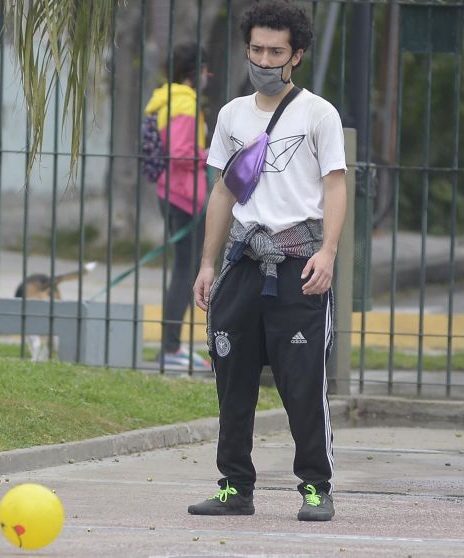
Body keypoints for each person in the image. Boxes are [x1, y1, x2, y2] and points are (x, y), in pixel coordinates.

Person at [186, 1, 347, 521]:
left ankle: (315, 487)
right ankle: (236, 486)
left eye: (276, 52)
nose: (264, 60)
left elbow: (336, 186)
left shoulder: (319, 113)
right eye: (256, 49)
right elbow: (222, 195)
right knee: (231, 382)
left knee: (302, 384)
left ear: (295, 55)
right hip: (243, 264)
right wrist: (208, 264)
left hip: (300, 265)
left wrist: (329, 252)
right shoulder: (232, 115)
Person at [143, 42, 212, 370]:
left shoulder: (168, 99)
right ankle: (170, 348)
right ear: (194, 72)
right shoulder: (185, 102)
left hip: (172, 192)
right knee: (186, 270)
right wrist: (211, 155)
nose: (207, 76)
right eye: (204, 70)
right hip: (182, 195)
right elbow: (182, 152)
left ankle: (173, 346)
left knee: (186, 268)